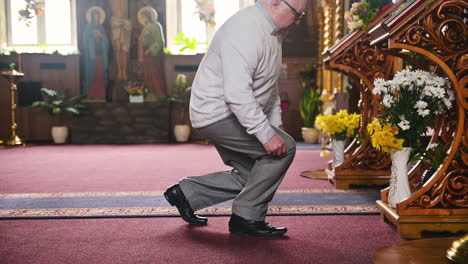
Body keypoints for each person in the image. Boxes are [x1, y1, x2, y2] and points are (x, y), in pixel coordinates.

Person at [164, 0, 307, 237]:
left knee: (255, 177)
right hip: (218, 113)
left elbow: (269, 85)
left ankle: (186, 193)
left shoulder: (270, 30)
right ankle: (246, 217)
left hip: (231, 112)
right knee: (286, 149)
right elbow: (237, 95)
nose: (299, 21)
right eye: (297, 14)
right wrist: (265, 134)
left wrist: (275, 123)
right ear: (275, 3)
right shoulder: (246, 29)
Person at [137, 7, 166, 96]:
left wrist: (150, 50)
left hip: (153, 55)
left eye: (143, 17)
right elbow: (142, 40)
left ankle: (158, 93)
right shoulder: (145, 27)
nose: (142, 19)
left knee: (155, 74)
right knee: (147, 74)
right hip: (146, 55)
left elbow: (159, 41)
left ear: (148, 16)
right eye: (141, 18)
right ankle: (150, 92)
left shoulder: (156, 26)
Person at [82, 7, 109, 99]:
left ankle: (100, 95)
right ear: (92, 17)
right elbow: (85, 42)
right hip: (92, 56)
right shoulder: (88, 28)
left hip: (101, 55)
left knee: (100, 74)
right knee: (92, 75)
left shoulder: (101, 27)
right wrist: (93, 36)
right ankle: (91, 95)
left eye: (98, 16)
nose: (96, 17)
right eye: (95, 16)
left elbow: (106, 43)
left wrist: (101, 36)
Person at [110, 0, 131, 81]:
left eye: (121, 9)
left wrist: (125, 24)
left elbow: (129, 27)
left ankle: (124, 70)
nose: (120, 9)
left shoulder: (126, 19)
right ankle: (119, 70)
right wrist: (119, 24)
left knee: (124, 51)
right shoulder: (113, 19)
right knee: (118, 50)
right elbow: (113, 27)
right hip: (117, 35)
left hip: (125, 37)